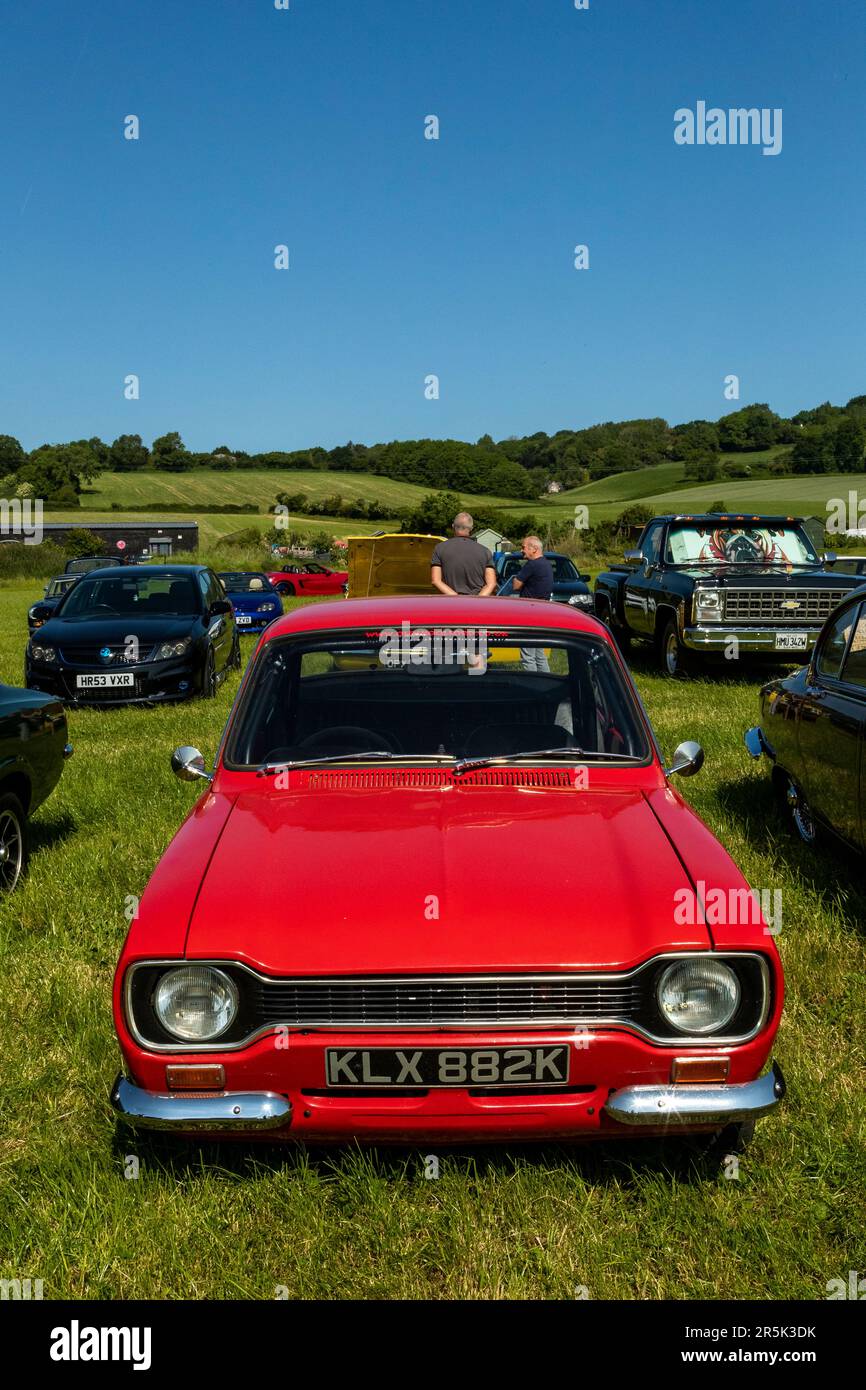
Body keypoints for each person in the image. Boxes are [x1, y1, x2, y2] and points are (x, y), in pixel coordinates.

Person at [512, 535, 554, 673]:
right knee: (540, 655)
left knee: (528, 656)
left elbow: (515, 585)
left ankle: (533, 685)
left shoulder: (532, 565)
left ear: (534, 549)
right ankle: (546, 683)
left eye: (523, 547)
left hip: (529, 615)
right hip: (543, 614)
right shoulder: (546, 564)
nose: (521, 550)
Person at [431, 513, 497, 597]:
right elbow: (491, 584)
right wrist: (478, 600)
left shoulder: (439, 548)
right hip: (476, 605)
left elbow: (436, 581)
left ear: (453, 526)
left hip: (449, 604)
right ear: (471, 528)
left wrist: (456, 598)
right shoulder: (485, 551)